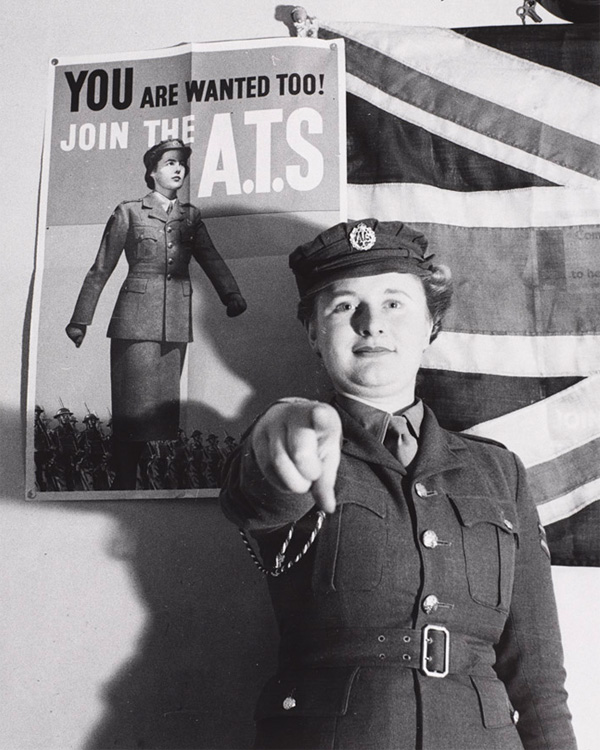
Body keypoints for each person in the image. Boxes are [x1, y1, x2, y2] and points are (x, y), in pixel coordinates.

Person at [220, 219, 577, 750]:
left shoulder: (499, 472)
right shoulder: (292, 439)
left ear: (432, 323)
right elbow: (261, 495)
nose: (371, 324)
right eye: (343, 306)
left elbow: (540, 681)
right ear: (313, 331)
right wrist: (280, 422)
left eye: (394, 303)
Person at [66, 138, 247, 489]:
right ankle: (123, 485)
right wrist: (80, 319)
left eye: (181, 163)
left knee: (161, 416)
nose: (178, 168)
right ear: (152, 172)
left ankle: (147, 489)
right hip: (134, 321)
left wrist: (231, 294)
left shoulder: (190, 217)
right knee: (132, 410)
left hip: (175, 321)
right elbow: (101, 267)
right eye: (169, 163)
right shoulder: (129, 212)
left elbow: (210, 258)